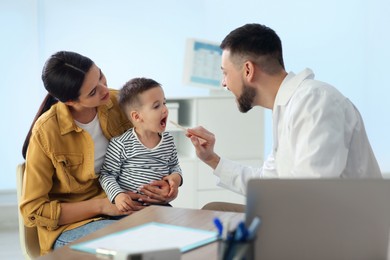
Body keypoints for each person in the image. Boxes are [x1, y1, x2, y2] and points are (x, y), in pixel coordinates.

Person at [186, 23, 382, 211]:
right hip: (306, 217)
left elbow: (312, 195)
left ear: (248, 70)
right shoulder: (286, 108)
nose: (224, 83)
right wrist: (211, 158)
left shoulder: (314, 102)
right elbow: (268, 183)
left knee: (215, 215)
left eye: (225, 73)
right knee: (213, 210)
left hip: (336, 229)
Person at [20, 51, 182, 255]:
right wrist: (102, 206)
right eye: (92, 92)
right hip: (75, 225)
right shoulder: (46, 133)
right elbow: (33, 211)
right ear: (70, 101)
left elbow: (149, 154)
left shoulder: (119, 103)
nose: (105, 90)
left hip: (128, 208)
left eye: (100, 76)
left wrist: (169, 185)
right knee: (137, 243)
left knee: (174, 237)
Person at [99, 77, 182, 212]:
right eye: (156, 106)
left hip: (161, 206)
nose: (165, 110)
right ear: (137, 117)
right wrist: (118, 196)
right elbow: (107, 174)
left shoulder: (168, 140)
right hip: (131, 208)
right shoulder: (121, 143)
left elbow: (174, 166)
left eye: (164, 103)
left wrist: (176, 179)